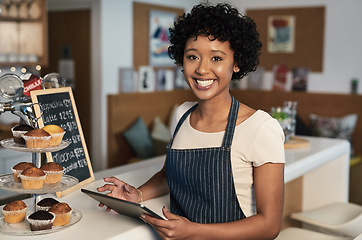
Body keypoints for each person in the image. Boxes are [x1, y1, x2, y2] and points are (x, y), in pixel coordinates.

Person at [97, 3, 285, 239]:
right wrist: (137, 195)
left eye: (216, 58)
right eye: (193, 56)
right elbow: (170, 176)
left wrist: (193, 232)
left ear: (236, 64)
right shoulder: (182, 114)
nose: (202, 69)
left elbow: (270, 225)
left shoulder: (260, 127)